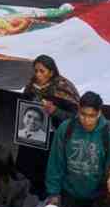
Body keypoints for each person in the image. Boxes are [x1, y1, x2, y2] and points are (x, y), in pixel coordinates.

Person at [45, 91, 110, 207]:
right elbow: (55, 162)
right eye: (83, 114)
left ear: (99, 113)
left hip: (97, 197)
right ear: (78, 110)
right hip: (69, 193)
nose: (86, 120)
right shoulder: (65, 129)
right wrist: (53, 193)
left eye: (91, 116)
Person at [21, 56, 82, 195]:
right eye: (36, 71)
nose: (38, 74)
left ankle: (52, 199)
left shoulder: (63, 87)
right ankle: (41, 197)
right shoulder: (31, 85)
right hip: (34, 136)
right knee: (33, 168)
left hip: (54, 138)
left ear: (51, 72)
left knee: (49, 169)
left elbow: (76, 117)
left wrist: (55, 111)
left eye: (42, 71)